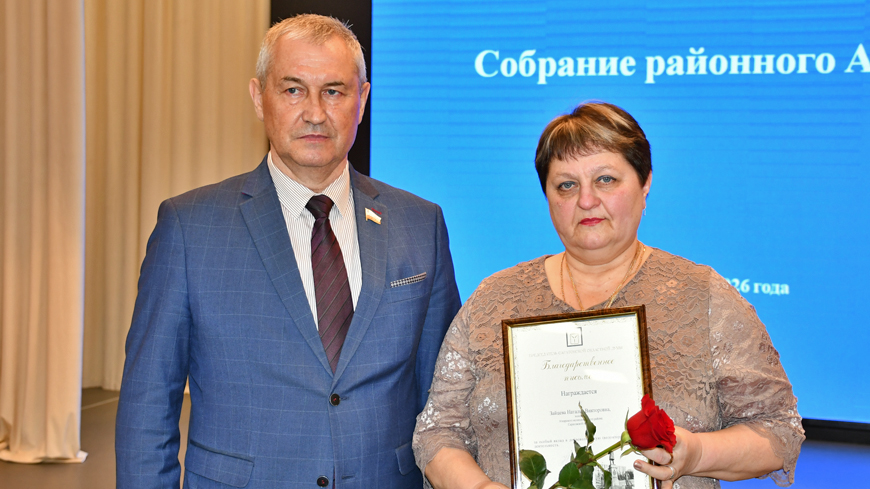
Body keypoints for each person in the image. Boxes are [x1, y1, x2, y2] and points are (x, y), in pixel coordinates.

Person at [115, 14, 461, 489]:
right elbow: (148, 406)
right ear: (260, 97)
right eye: (294, 90)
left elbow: (445, 401)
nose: (315, 113)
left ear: (362, 100)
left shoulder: (421, 225)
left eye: (334, 91)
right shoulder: (189, 228)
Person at [413, 102, 804, 489]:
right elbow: (437, 432)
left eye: (605, 180)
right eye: (566, 185)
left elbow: (778, 431)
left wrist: (697, 453)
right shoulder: (493, 300)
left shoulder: (702, 297)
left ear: (645, 182)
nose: (586, 200)